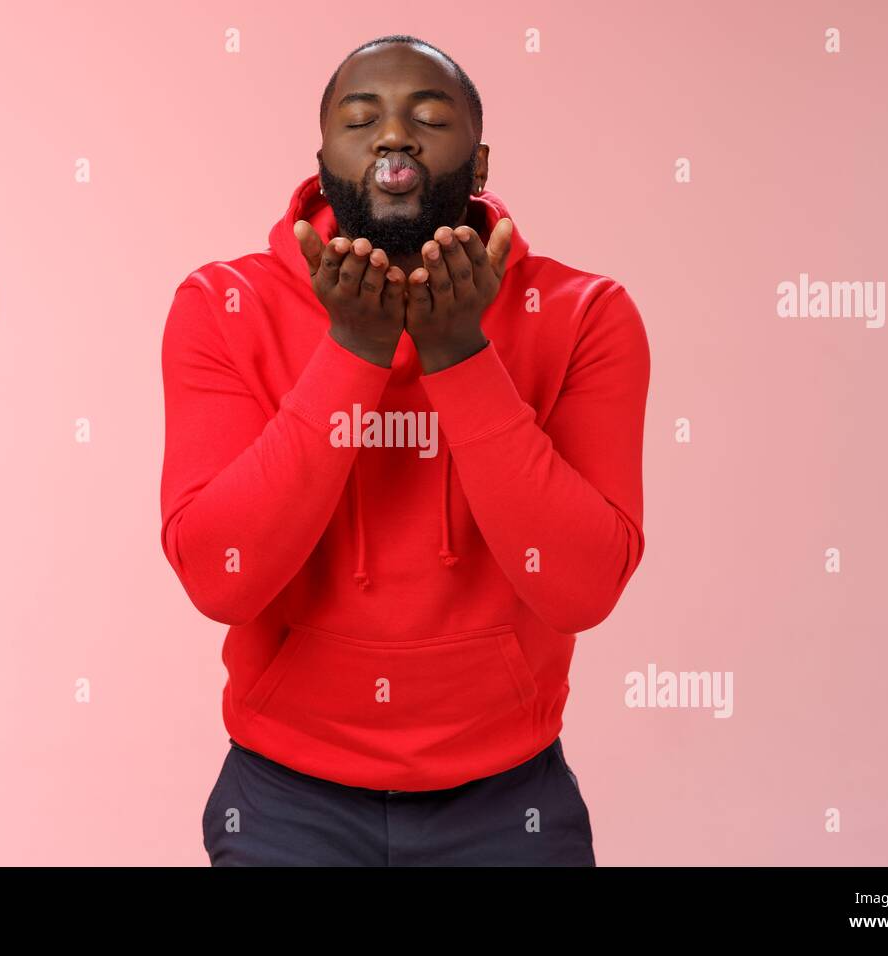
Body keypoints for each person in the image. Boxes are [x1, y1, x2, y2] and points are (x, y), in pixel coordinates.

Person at [159, 34, 650, 866]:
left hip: (509, 801)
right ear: (323, 163)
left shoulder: (586, 312)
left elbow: (582, 589)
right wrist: (352, 350)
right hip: (284, 804)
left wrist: (460, 355)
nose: (396, 137)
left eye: (428, 117)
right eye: (363, 120)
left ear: (480, 162)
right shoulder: (222, 304)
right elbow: (221, 576)